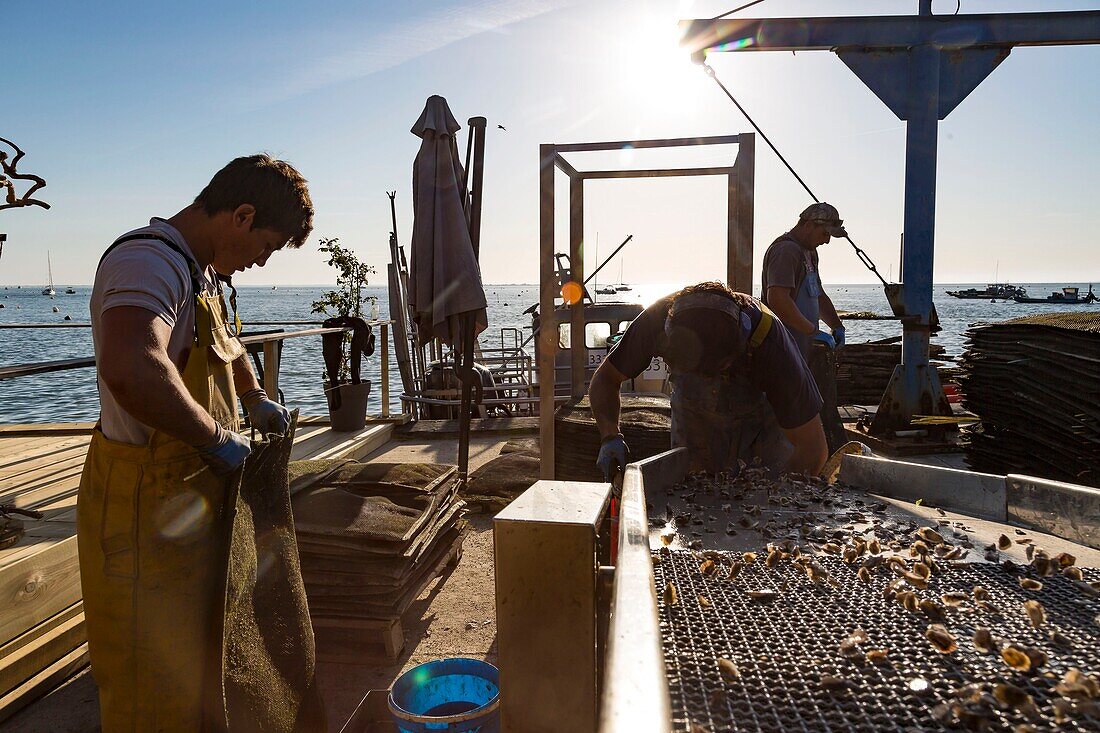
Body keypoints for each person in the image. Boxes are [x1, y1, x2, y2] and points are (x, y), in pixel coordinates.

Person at [77, 154, 313, 731]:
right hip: (139, 511)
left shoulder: (201, 272)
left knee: (199, 668)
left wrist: (253, 396)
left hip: (188, 505)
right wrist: (214, 437)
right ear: (242, 215)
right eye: (267, 245)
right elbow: (131, 363)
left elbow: (223, 348)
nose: (261, 260)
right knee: (151, 682)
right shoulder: (147, 261)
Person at [590, 282, 828, 478]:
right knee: (692, 501)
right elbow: (606, 379)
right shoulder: (654, 322)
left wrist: (774, 499)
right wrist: (610, 436)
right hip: (692, 418)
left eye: (711, 373)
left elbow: (813, 450)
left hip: (762, 427)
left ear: (736, 351)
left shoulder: (771, 343)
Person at [761, 202, 848, 452]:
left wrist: (836, 326)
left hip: (804, 351)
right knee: (784, 413)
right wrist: (813, 331)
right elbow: (778, 299)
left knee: (809, 407)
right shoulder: (785, 251)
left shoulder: (809, 253)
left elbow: (817, 294)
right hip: (784, 349)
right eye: (825, 235)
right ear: (809, 225)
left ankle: (811, 456)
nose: (827, 242)